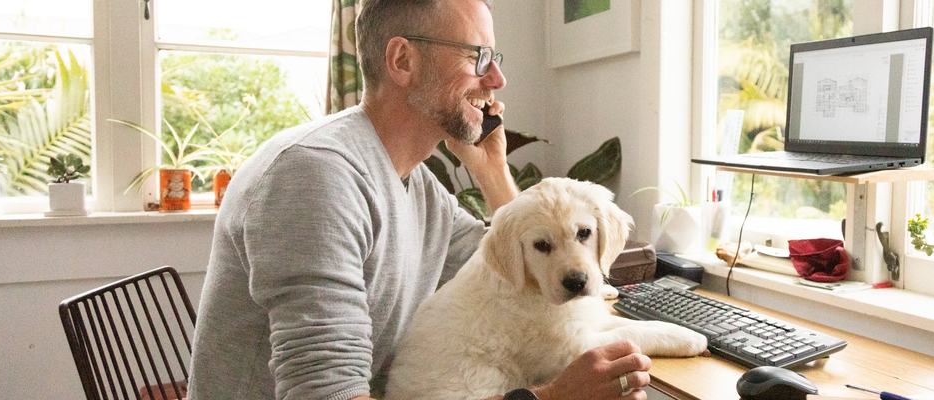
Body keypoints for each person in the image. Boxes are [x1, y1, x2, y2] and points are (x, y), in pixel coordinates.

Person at [186, 0, 652, 399]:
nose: (497, 79)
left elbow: (510, 272)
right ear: (403, 60)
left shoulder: (414, 182)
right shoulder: (316, 176)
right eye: (478, 55)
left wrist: (490, 170)